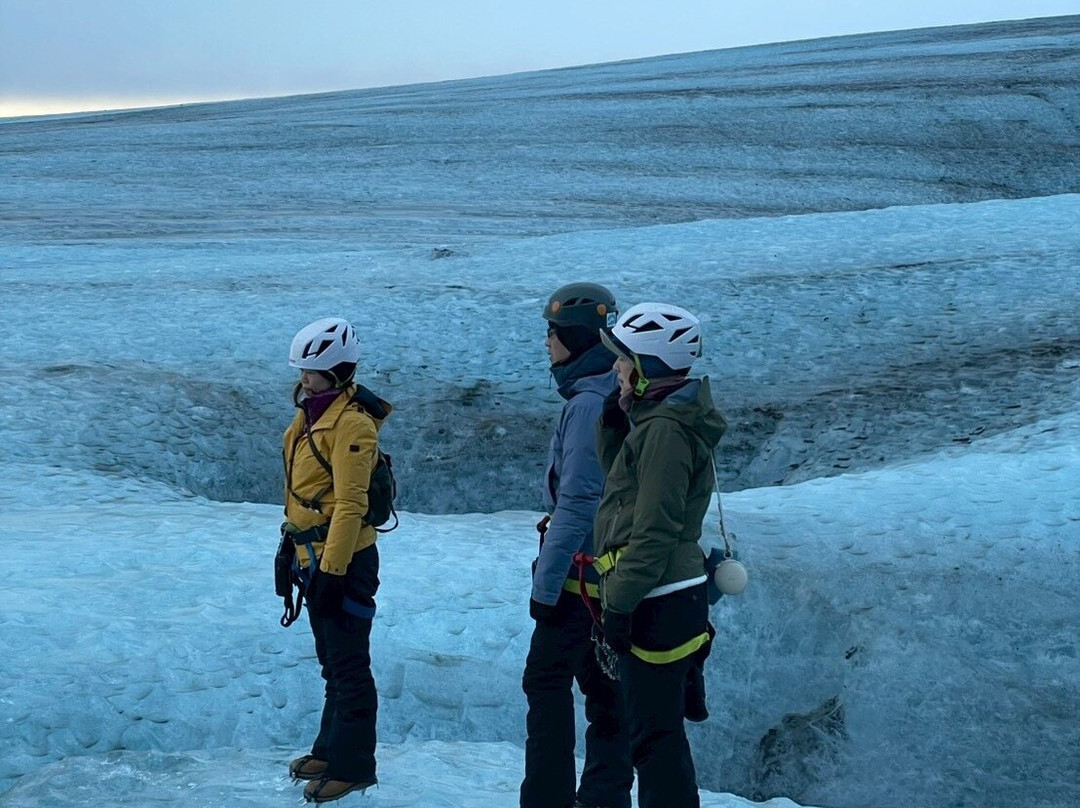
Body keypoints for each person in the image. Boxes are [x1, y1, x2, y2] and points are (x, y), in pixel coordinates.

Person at [592, 302, 726, 808]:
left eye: (623, 359)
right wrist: (614, 422)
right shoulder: (658, 423)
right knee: (656, 737)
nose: (615, 367)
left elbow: (654, 531)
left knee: (654, 741)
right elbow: (626, 490)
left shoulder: (666, 430)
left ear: (647, 366)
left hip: (658, 597)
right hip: (666, 593)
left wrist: (619, 604)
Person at [521, 283, 634, 808]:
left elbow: (579, 502)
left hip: (579, 581)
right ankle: (604, 798)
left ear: (579, 338)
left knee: (546, 684)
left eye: (553, 332)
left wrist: (545, 590)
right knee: (606, 693)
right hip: (610, 577)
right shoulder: (612, 391)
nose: (547, 342)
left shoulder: (588, 405)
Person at [281, 317, 391, 804]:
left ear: (337, 371)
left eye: (311, 372)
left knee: (349, 666)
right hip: (314, 555)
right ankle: (330, 750)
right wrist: (293, 544)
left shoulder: (352, 424)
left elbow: (349, 504)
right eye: (302, 372)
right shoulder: (312, 415)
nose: (304, 380)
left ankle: (354, 766)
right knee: (333, 663)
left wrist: (332, 572)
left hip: (344, 560)